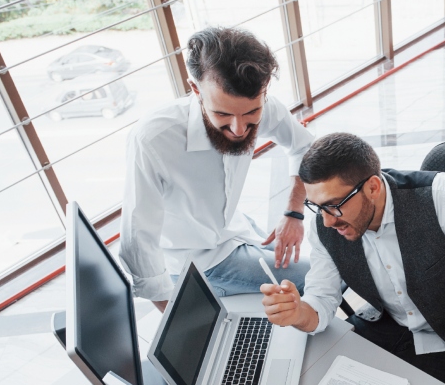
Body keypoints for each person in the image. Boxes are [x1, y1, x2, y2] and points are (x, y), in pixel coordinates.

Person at [261, 133, 445, 385]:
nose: (326, 220)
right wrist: (300, 313)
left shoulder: (443, 198)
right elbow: (322, 298)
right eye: (317, 206)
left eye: (334, 205)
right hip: (384, 324)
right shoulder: (324, 224)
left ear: (373, 187)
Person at [120, 27, 314, 312]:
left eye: (251, 115)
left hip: (235, 228)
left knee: (325, 265)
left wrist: (294, 213)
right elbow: (138, 238)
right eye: (223, 114)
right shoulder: (154, 139)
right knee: (315, 277)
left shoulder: (265, 106)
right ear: (195, 88)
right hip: (197, 260)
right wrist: (176, 315)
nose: (238, 129)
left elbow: (304, 147)